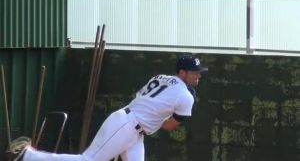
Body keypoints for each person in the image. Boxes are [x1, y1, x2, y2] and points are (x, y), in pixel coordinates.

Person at [12, 55, 208, 161]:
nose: (198, 75)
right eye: (194, 72)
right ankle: (28, 156)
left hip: (133, 127)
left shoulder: (160, 78)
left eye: (199, 72)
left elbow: (143, 98)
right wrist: (162, 119)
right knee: (87, 160)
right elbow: (169, 127)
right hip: (128, 125)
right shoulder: (185, 96)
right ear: (182, 72)